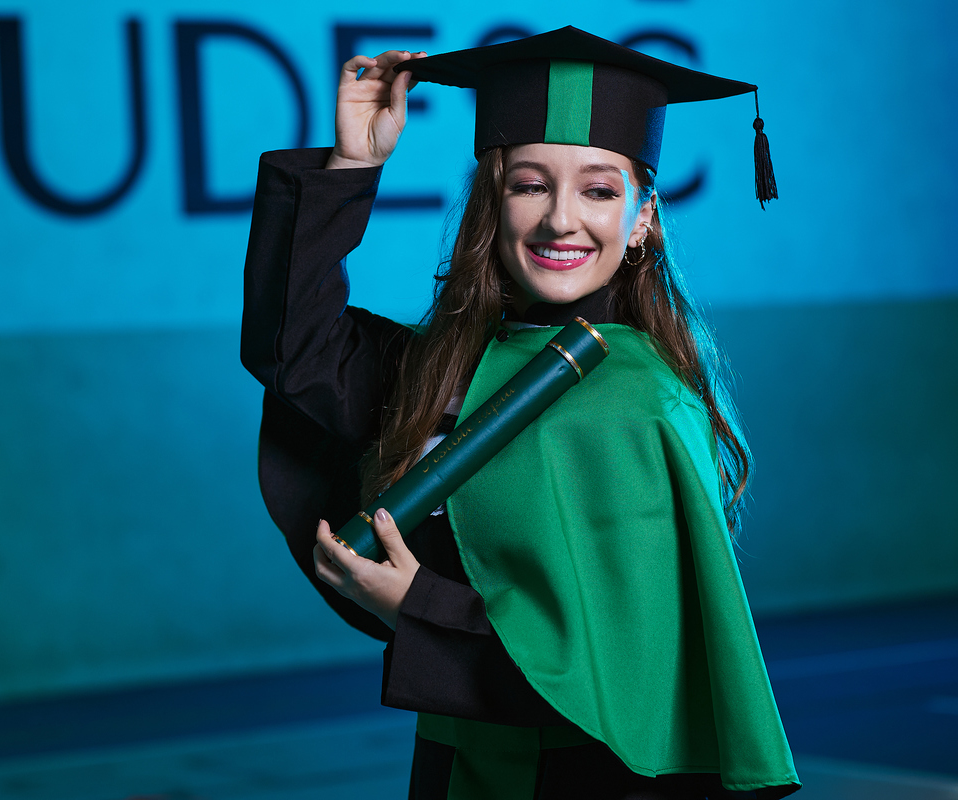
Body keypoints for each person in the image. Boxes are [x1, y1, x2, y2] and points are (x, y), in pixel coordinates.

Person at [241, 26, 798, 799]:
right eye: (530, 185)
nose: (560, 219)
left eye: (599, 190)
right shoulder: (450, 366)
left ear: (642, 216)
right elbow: (292, 351)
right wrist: (352, 165)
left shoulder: (642, 404)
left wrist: (418, 606)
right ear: (492, 204)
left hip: (590, 777)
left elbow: (613, 664)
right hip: (457, 758)